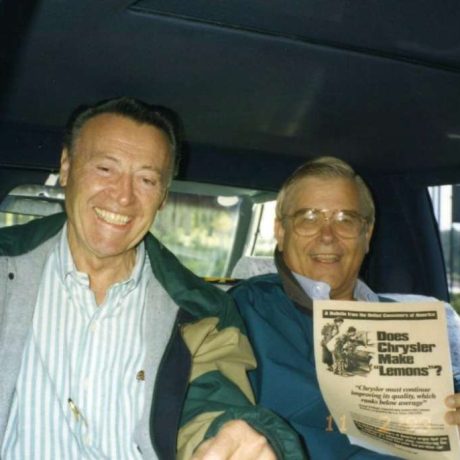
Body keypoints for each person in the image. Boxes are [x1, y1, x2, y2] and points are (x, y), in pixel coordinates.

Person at [0, 97, 305, 459]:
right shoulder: (7, 269)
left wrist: (230, 439)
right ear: (66, 167)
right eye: (105, 169)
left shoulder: (204, 312)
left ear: (163, 196)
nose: (123, 196)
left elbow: (211, 406)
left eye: (146, 179)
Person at [230, 156, 460, 459]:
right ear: (281, 231)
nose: (327, 235)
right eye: (309, 218)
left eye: (345, 220)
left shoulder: (416, 324)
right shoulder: (243, 310)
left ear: (367, 235)